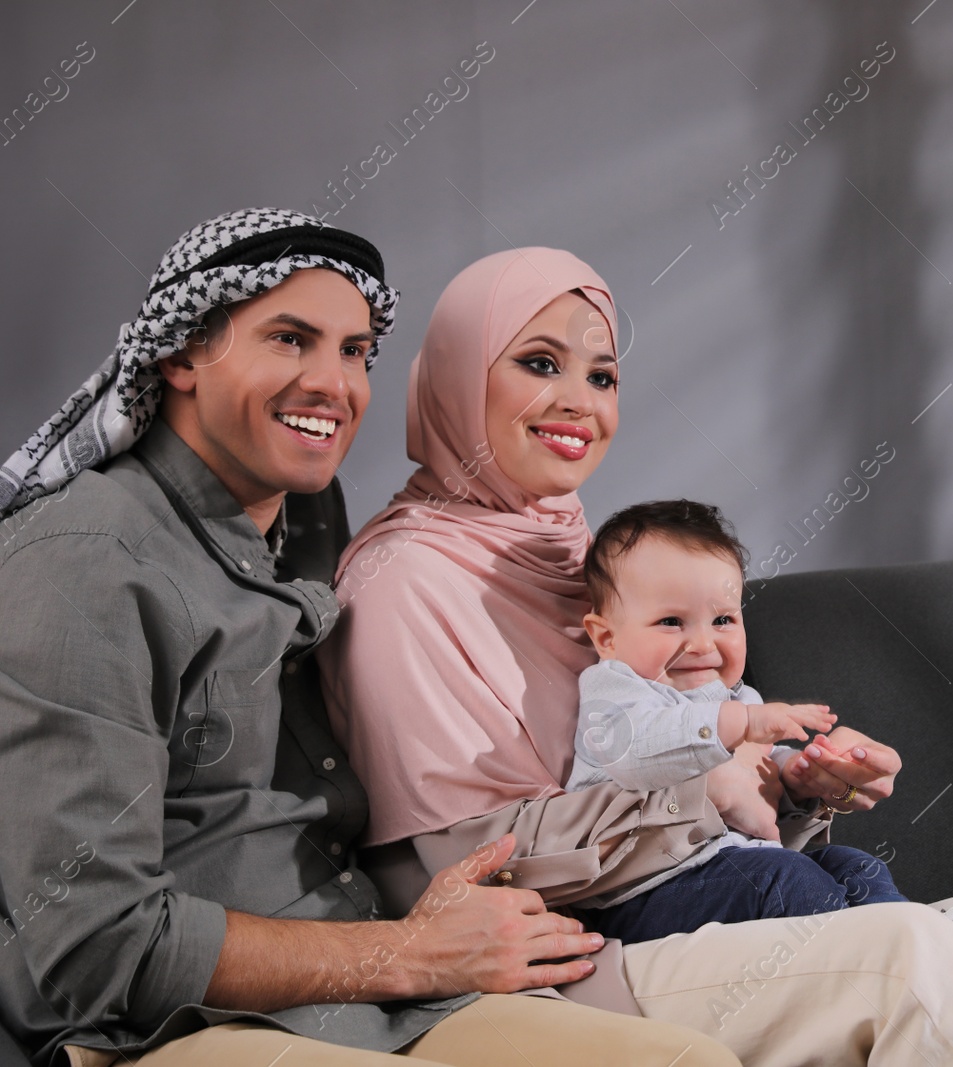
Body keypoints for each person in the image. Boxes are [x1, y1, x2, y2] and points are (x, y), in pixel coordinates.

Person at [321, 245, 953, 1066]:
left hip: (672, 908)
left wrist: (792, 787)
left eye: (603, 374)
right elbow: (463, 871)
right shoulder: (406, 580)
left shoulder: (587, 555)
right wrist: (712, 790)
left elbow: (660, 771)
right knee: (908, 949)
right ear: (455, 375)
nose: (580, 400)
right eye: (538, 362)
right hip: (567, 960)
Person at [0, 210, 738, 1067]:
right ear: (180, 354)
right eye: (290, 339)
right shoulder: (84, 563)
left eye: (354, 352)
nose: (333, 383)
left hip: (364, 989)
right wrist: (409, 953)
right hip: (172, 1030)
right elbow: (98, 948)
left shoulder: (305, 522)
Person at [562, 497, 953, 948]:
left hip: (738, 868)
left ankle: (925, 943)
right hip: (642, 893)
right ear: (607, 637)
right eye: (671, 621)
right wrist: (742, 722)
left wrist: (799, 774)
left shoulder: (737, 697)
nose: (702, 642)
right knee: (787, 877)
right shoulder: (615, 690)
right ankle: (882, 955)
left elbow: (761, 772)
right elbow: (638, 753)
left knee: (854, 864)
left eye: (722, 619)